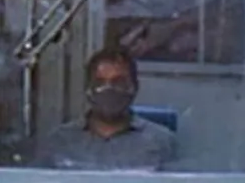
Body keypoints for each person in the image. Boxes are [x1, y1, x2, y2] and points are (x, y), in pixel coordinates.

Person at [38, 47, 176, 171]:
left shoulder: (163, 143)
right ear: (87, 89)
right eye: (99, 83)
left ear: (135, 87)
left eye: (119, 82)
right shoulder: (59, 141)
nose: (108, 89)